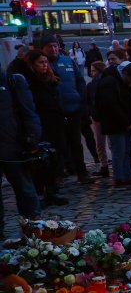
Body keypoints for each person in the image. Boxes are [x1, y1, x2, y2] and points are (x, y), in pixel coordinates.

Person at [9, 51, 66, 206]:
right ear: (32, 64)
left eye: (46, 62)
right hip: (39, 123)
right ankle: (40, 192)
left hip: (54, 122)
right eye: (41, 62)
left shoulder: (50, 79)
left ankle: (52, 190)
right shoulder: (28, 80)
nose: (45, 65)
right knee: (39, 161)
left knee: (54, 157)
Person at [40, 38, 90, 185]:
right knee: (57, 144)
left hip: (73, 108)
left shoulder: (68, 61)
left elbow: (80, 81)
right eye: (49, 47)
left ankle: (82, 173)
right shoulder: (42, 64)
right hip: (54, 111)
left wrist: (81, 99)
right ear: (43, 48)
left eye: (55, 46)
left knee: (76, 143)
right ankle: (59, 174)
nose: (53, 49)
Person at [0, 66, 41, 236]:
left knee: (25, 189)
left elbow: (29, 112)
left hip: (14, 147)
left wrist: (33, 139)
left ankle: (33, 228)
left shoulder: (12, 81)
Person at [94, 60, 131, 188]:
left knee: (126, 151)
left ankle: (126, 176)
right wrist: (126, 122)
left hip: (123, 122)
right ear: (124, 73)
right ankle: (120, 178)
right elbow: (111, 106)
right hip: (116, 124)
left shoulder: (115, 80)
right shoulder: (110, 82)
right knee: (119, 152)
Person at [84, 60, 109, 178]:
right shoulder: (90, 85)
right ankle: (104, 165)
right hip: (97, 116)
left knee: (104, 142)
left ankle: (105, 165)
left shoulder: (105, 83)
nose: (91, 73)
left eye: (93, 70)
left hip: (105, 116)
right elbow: (88, 101)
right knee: (100, 142)